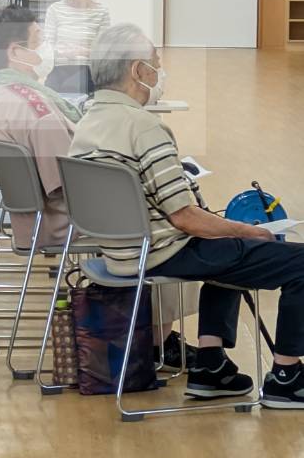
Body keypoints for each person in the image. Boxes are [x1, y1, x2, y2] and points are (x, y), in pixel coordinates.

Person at [70, 23, 304, 408]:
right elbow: (185, 218)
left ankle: (211, 366)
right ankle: (287, 376)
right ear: (137, 70)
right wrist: (247, 231)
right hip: (163, 251)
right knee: (294, 261)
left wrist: (230, 233)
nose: (159, 72)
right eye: (155, 64)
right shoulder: (144, 127)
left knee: (227, 249)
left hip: (119, 252)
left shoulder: (87, 123)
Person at [0, 6, 81, 250]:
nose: (46, 48)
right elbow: (68, 181)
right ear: (15, 51)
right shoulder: (38, 114)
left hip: (32, 222)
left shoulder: (4, 94)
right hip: (63, 224)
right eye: (38, 40)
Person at [43, 0, 111, 96]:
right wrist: (67, 52)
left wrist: (81, 51)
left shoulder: (101, 12)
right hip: (59, 70)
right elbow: (48, 46)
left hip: (88, 71)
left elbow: (103, 50)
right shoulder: (55, 9)